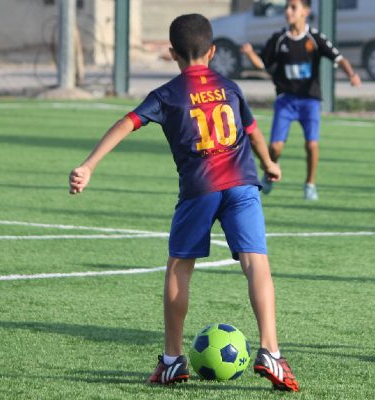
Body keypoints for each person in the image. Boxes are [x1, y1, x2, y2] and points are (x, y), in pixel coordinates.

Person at [68, 14, 299, 391]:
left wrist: (89, 165)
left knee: (180, 267)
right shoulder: (229, 86)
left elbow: (127, 123)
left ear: (172, 53)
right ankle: (271, 351)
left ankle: (173, 360)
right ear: (212, 51)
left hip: (200, 188)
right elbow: (254, 133)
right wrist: (270, 164)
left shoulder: (168, 93)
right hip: (243, 185)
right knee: (256, 262)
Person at [241, 0, 361, 200]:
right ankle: (270, 173)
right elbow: (262, 63)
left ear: (306, 11)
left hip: (309, 101)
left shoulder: (314, 39)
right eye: (287, 7)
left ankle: (310, 184)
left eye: (293, 7)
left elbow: (339, 58)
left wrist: (351, 74)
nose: (288, 11)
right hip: (285, 101)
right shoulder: (279, 39)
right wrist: (250, 53)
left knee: (311, 145)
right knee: (276, 147)